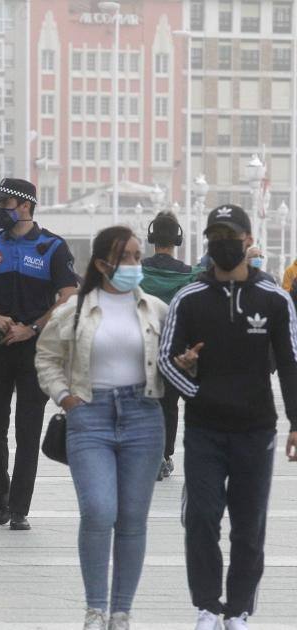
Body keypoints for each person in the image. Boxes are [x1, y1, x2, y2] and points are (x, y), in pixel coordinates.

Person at [158, 204, 297, 630]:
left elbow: (291, 362)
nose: (223, 243)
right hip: (204, 430)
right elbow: (165, 360)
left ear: (248, 239)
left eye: (231, 236)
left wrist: (296, 422)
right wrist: (192, 384)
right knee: (201, 518)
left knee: (248, 525)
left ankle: (237, 610)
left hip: (256, 431)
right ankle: (207, 606)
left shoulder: (273, 298)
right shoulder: (190, 297)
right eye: (215, 235)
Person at [36, 226, 169, 630]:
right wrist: (64, 396)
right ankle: (95, 609)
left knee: (131, 518)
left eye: (136, 255)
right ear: (101, 263)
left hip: (144, 416)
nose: (133, 264)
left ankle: (121, 612)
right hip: (89, 416)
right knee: (98, 510)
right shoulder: (74, 310)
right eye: (124, 257)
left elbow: (174, 359)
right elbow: (46, 357)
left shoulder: (156, 309)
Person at [0, 178, 78, 531]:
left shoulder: (52, 247)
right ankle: (0, 493)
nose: (0, 209)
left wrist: (32, 327)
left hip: (36, 350)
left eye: (5, 202)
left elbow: (68, 296)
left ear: (26, 205)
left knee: (27, 431)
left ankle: (19, 508)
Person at [139, 211, 202, 481]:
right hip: (175, 351)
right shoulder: (190, 275)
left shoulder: (136, 271)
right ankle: (164, 456)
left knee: (144, 402)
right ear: (178, 238)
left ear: (152, 237)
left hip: (141, 347)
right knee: (169, 404)